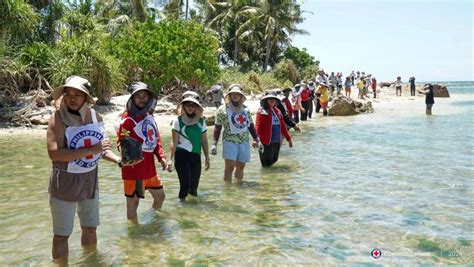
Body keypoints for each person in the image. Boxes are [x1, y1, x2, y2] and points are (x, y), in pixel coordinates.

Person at [47, 75, 121, 261]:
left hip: (90, 180)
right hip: (64, 182)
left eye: (78, 94)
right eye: (68, 94)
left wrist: (119, 161)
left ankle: (90, 262)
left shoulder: (96, 116)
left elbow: (102, 150)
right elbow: (55, 154)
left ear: (87, 98)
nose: (72, 98)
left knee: (90, 227)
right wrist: (92, 149)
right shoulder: (57, 119)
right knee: (62, 235)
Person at [116, 82, 169, 221]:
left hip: (150, 169)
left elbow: (155, 139)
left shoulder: (149, 116)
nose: (141, 99)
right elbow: (121, 141)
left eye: (144, 96)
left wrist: (161, 158)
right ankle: (134, 237)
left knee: (160, 197)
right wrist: (125, 157)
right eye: (138, 96)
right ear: (132, 99)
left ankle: (150, 219)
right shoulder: (127, 119)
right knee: (134, 203)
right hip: (134, 170)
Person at [211, 84, 260, 182]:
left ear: (241, 96)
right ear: (229, 95)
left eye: (237, 94)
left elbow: (250, 125)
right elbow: (218, 126)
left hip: (244, 141)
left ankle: (239, 188)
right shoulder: (222, 109)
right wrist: (214, 143)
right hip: (229, 141)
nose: (235, 96)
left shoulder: (245, 109)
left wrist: (256, 138)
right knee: (230, 167)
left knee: (241, 166)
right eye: (232, 94)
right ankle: (228, 191)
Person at [169, 92, 210, 200]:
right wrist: (170, 159)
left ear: (197, 107)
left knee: (193, 188)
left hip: (196, 156)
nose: (191, 107)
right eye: (188, 104)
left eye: (193, 105)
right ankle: (181, 210)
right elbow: (174, 141)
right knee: (185, 186)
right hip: (181, 155)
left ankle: (193, 212)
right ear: (183, 106)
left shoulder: (201, 122)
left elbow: (204, 141)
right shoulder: (177, 121)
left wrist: (207, 157)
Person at [255, 91, 293, 167]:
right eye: (269, 99)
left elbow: (282, 126)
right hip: (265, 143)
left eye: (273, 99)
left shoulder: (277, 111)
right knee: (267, 165)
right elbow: (257, 127)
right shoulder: (262, 112)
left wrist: (288, 139)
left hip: (276, 142)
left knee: (274, 162)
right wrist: (255, 140)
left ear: (276, 101)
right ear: (266, 100)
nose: (272, 100)